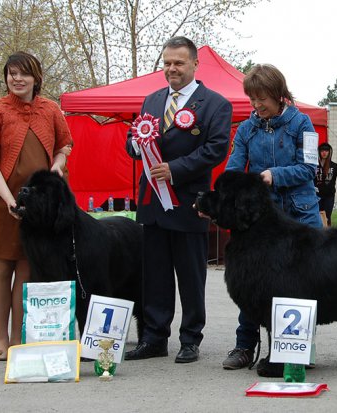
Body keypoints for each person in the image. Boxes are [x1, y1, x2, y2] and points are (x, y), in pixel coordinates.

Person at [124, 36, 232, 363]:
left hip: (187, 202)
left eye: (179, 63)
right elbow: (135, 138)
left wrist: (176, 169)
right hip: (152, 204)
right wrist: (133, 146)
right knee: (154, 275)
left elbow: (215, 149)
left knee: (190, 276)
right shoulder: (152, 100)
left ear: (195, 64)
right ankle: (154, 337)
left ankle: (190, 339)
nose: (172, 68)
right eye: (167, 62)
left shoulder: (216, 104)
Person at [220, 64, 321, 374]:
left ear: (279, 95)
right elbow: (233, 170)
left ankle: (298, 348)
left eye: (262, 98)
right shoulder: (246, 130)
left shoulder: (304, 124)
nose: (257, 106)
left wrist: (272, 176)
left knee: (305, 286)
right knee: (252, 284)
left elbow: (309, 170)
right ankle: (245, 345)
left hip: (300, 216)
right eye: (252, 99)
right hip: (261, 221)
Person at [0, 52, 72, 361]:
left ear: (36, 78)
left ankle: (20, 338)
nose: (16, 79)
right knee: (1, 269)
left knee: (27, 270)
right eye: (11, 73)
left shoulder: (51, 110)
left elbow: (63, 147)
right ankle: (1, 340)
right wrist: (9, 200)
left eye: (24, 74)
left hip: (39, 207)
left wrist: (58, 165)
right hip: (0, 201)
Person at [315, 142, 337, 226]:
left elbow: (333, 180)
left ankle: (328, 233)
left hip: (329, 196)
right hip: (317, 195)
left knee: (327, 216)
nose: (324, 152)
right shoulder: (315, 166)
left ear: (329, 152)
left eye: (326, 150)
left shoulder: (334, 166)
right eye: (322, 150)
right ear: (319, 152)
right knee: (317, 216)